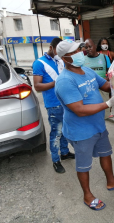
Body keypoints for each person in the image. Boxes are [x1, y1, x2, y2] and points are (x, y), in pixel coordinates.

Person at [55, 40, 114, 211]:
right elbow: (79, 109)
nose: (80, 52)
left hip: (98, 126)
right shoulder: (65, 81)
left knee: (106, 154)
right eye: (74, 51)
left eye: (79, 49)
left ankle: (111, 182)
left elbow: (105, 86)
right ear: (65, 58)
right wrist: (108, 104)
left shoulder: (87, 71)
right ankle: (87, 195)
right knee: (84, 164)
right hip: (80, 131)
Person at [33, 37, 75, 174]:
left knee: (65, 130)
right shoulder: (39, 63)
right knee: (56, 133)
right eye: (58, 50)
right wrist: (58, 82)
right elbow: (37, 86)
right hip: (53, 104)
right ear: (51, 47)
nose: (59, 53)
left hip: (66, 102)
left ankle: (64, 152)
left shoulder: (59, 60)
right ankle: (56, 160)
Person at [83, 38, 112, 119]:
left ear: (95, 46)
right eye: (86, 47)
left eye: (90, 46)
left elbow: (110, 73)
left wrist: (106, 79)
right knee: (91, 115)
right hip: (89, 91)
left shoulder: (104, 57)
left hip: (103, 90)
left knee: (104, 116)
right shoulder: (82, 59)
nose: (88, 49)